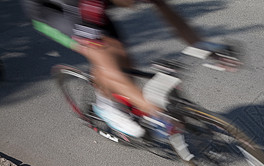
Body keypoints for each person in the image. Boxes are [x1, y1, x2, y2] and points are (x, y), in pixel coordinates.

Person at [21, 0, 239, 137]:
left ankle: (123, 100)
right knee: (107, 56)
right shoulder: (89, 7)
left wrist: (205, 48)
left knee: (124, 58)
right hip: (49, 10)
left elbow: (172, 17)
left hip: (89, 10)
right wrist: (158, 114)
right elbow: (108, 65)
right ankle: (106, 106)